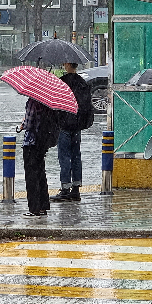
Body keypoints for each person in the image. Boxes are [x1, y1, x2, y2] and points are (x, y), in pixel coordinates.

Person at [51, 63, 88, 202]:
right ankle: (76, 189)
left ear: (67, 64)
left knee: (65, 157)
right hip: (77, 126)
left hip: (64, 125)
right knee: (76, 156)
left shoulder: (62, 82)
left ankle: (65, 189)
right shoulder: (82, 82)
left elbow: (55, 104)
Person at [18, 97, 51, 217]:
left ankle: (34, 208)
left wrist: (23, 123)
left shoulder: (33, 102)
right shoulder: (47, 102)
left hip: (31, 143)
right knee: (41, 175)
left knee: (31, 176)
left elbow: (28, 124)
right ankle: (43, 206)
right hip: (42, 143)